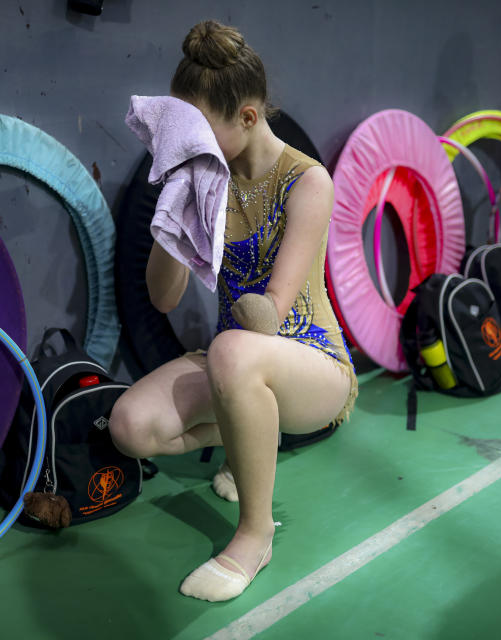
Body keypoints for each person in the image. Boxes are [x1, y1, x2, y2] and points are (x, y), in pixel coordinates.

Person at [109, 19, 357, 602]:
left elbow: (271, 314)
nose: (189, 145)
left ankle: (254, 533)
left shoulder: (306, 182)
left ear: (247, 117)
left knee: (233, 349)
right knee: (130, 426)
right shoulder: (204, 179)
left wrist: (215, 224)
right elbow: (165, 298)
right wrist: (181, 209)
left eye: (199, 132)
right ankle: (250, 433)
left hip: (311, 363)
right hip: (235, 361)